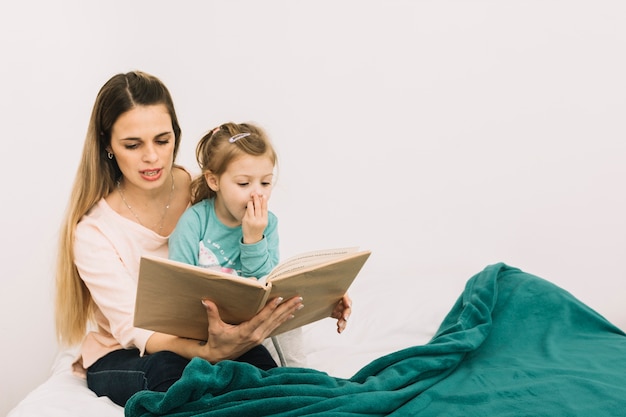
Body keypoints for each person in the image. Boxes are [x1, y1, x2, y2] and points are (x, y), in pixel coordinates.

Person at [54, 70, 351, 407]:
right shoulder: (93, 232)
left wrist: (321, 298)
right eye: (133, 145)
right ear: (108, 144)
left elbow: (254, 273)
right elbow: (137, 332)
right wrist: (210, 351)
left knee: (267, 376)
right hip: (126, 353)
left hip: (209, 338)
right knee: (175, 371)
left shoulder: (207, 191)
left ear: (176, 137)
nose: (151, 157)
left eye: (162, 140)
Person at [168, 122, 279, 279]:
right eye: (244, 183)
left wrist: (254, 240)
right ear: (213, 181)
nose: (258, 194)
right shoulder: (194, 222)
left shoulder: (268, 225)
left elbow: (266, 285)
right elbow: (177, 282)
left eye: (265, 183)